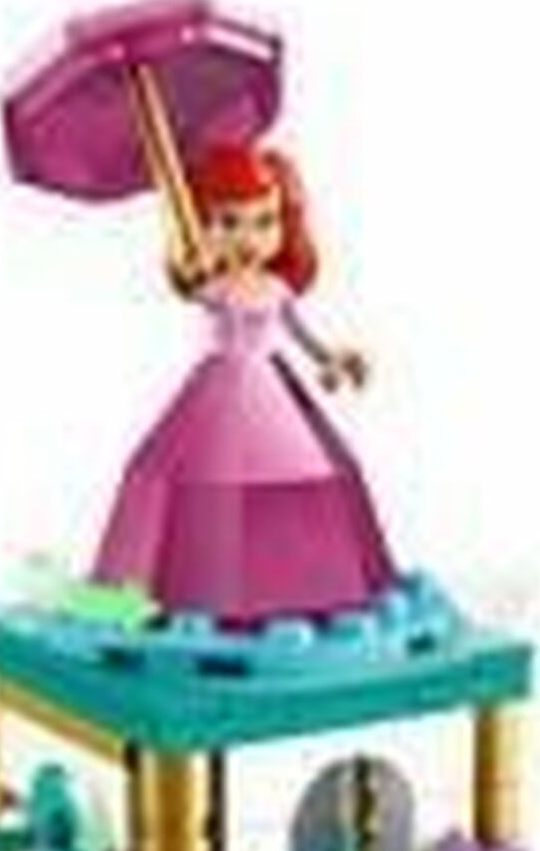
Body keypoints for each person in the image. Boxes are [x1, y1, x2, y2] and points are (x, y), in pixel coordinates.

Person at [92, 143, 396, 623]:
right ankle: (191, 584)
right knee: (201, 479)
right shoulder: (212, 287)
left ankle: (305, 583)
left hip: (275, 391)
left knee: (304, 470)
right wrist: (188, 247)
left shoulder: (276, 288)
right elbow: (189, 274)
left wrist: (332, 359)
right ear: (201, 224)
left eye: (265, 221)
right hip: (220, 389)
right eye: (229, 222)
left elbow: (299, 333)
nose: (248, 238)